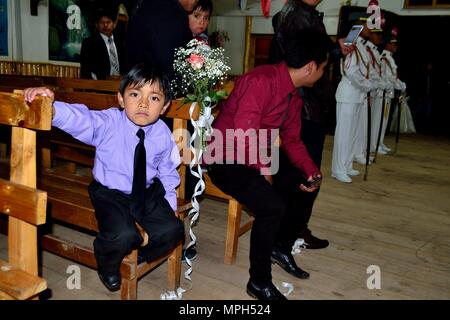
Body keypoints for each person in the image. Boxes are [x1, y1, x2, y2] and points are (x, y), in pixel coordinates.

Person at [23, 64, 185, 292]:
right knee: (123, 235)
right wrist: (52, 107)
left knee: (174, 230)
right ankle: (107, 264)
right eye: (135, 94)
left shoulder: (162, 133)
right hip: (110, 192)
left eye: (155, 98)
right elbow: (82, 119)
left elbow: (167, 171)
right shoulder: (109, 123)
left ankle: (140, 257)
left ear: (165, 106)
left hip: (148, 191)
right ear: (121, 99)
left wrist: (170, 204)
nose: (143, 104)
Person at [205, 29, 331, 300]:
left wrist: (311, 170)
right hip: (225, 157)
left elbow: (293, 140)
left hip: (255, 155)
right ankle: (258, 282)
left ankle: (280, 246)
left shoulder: (293, 96)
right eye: (323, 68)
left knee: (303, 183)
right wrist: (263, 169)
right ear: (310, 67)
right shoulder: (261, 80)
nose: (323, 73)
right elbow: (244, 131)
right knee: (271, 206)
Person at [268, 0, 353, 248]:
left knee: (303, 173)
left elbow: (313, 57)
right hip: (303, 105)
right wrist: (333, 52)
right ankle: (284, 236)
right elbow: (304, 60)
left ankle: (293, 230)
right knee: (300, 176)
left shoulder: (304, 14)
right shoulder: (296, 15)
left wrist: (335, 50)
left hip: (309, 104)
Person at [331, 17, 377, 183]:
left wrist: (366, 85)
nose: (369, 28)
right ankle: (338, 169)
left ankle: (347, 164)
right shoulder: (351, 41)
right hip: (349, 92)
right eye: (366, 25)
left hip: (358, 94)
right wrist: (367, 85)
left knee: (352, 133)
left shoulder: (362, 46)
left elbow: (364, 70)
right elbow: (350, 70)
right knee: (344, 134)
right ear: (358, 26)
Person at [125, 0, 198, 81]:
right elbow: (168, 63)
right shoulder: (170, 9)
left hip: (136, 82)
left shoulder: (146, 4)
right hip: (153, 86)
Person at [379, 28, 406, 152]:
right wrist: (400, 85)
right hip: (383, 93)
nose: (395, 47)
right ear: (388, 45)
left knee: (384, 121)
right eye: (393, 44)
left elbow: (393, 76)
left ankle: (380, 142)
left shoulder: (390, 58)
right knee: (380, 121)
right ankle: (377, 144)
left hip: (389, 93)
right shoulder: (384, 58)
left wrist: (399, 84)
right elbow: (387, 77)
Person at [80, 7, 125, 80]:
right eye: (102, 23)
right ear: (96, 25)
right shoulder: (89, 43)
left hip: (120, 86)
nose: (105, 25)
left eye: (108, 22)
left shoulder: (121, 43)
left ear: (114, 24)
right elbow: (86, 71)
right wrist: (106, 78)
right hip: (99, 86)